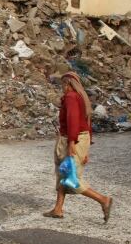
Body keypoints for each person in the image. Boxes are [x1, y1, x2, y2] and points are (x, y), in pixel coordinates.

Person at [44, 71, 113, 222]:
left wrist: (71, 144)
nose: (62, 87)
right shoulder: (82, 97)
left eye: (62, 84)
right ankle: (58, 209)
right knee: (63, 172)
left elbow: (72, 121)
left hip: (72, 140)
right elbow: (87, 123)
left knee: (70, 177)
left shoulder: (70, 97)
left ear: (67, 83)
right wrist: (85, 148)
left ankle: (103, 200)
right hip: (82, 139)